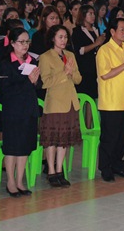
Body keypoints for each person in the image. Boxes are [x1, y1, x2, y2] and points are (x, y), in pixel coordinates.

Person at [0, 27, 40, 197]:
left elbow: (37, 85)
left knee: (25, 146)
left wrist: (35, 82)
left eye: (27, 41)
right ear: (13, 43)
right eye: (21, 42)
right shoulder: (6, 63)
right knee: (12, 147)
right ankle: (10, 181)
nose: (25, 45)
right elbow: (5, 88)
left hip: (28, 108)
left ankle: (20, 180)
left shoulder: (32, 60)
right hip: (13, 110)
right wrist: (27, 81)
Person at [96, 18, 124, 182]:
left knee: (123, 138)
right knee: (110, 137)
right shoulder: (104, 50)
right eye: (121, 29)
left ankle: (118, 165)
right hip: (111, 102)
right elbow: (105, 74)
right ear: (112, 32)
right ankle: (105, 168)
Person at [39, 25, 82, 188]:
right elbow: (46, 82)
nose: (64, 40)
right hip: (55, 103)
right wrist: (64, 72)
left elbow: (78, 79)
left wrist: (71, 72)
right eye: (60, 37)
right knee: (52, 139)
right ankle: (51, 171)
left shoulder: (70, 55)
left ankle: (59, 170)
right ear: (53, 38)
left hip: (70, 102)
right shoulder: (45, 57)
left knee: (64, 139)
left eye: (65, 37)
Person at [71, 4, 104, 100]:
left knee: (94, 95)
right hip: (85, 67)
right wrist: (96, 44)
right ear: (83, 15)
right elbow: (79, 50)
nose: (93, 16)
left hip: (96, 65)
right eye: (90, 14)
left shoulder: (96, 29)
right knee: (85, 94)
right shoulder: (77, 31)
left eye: (94, 13)